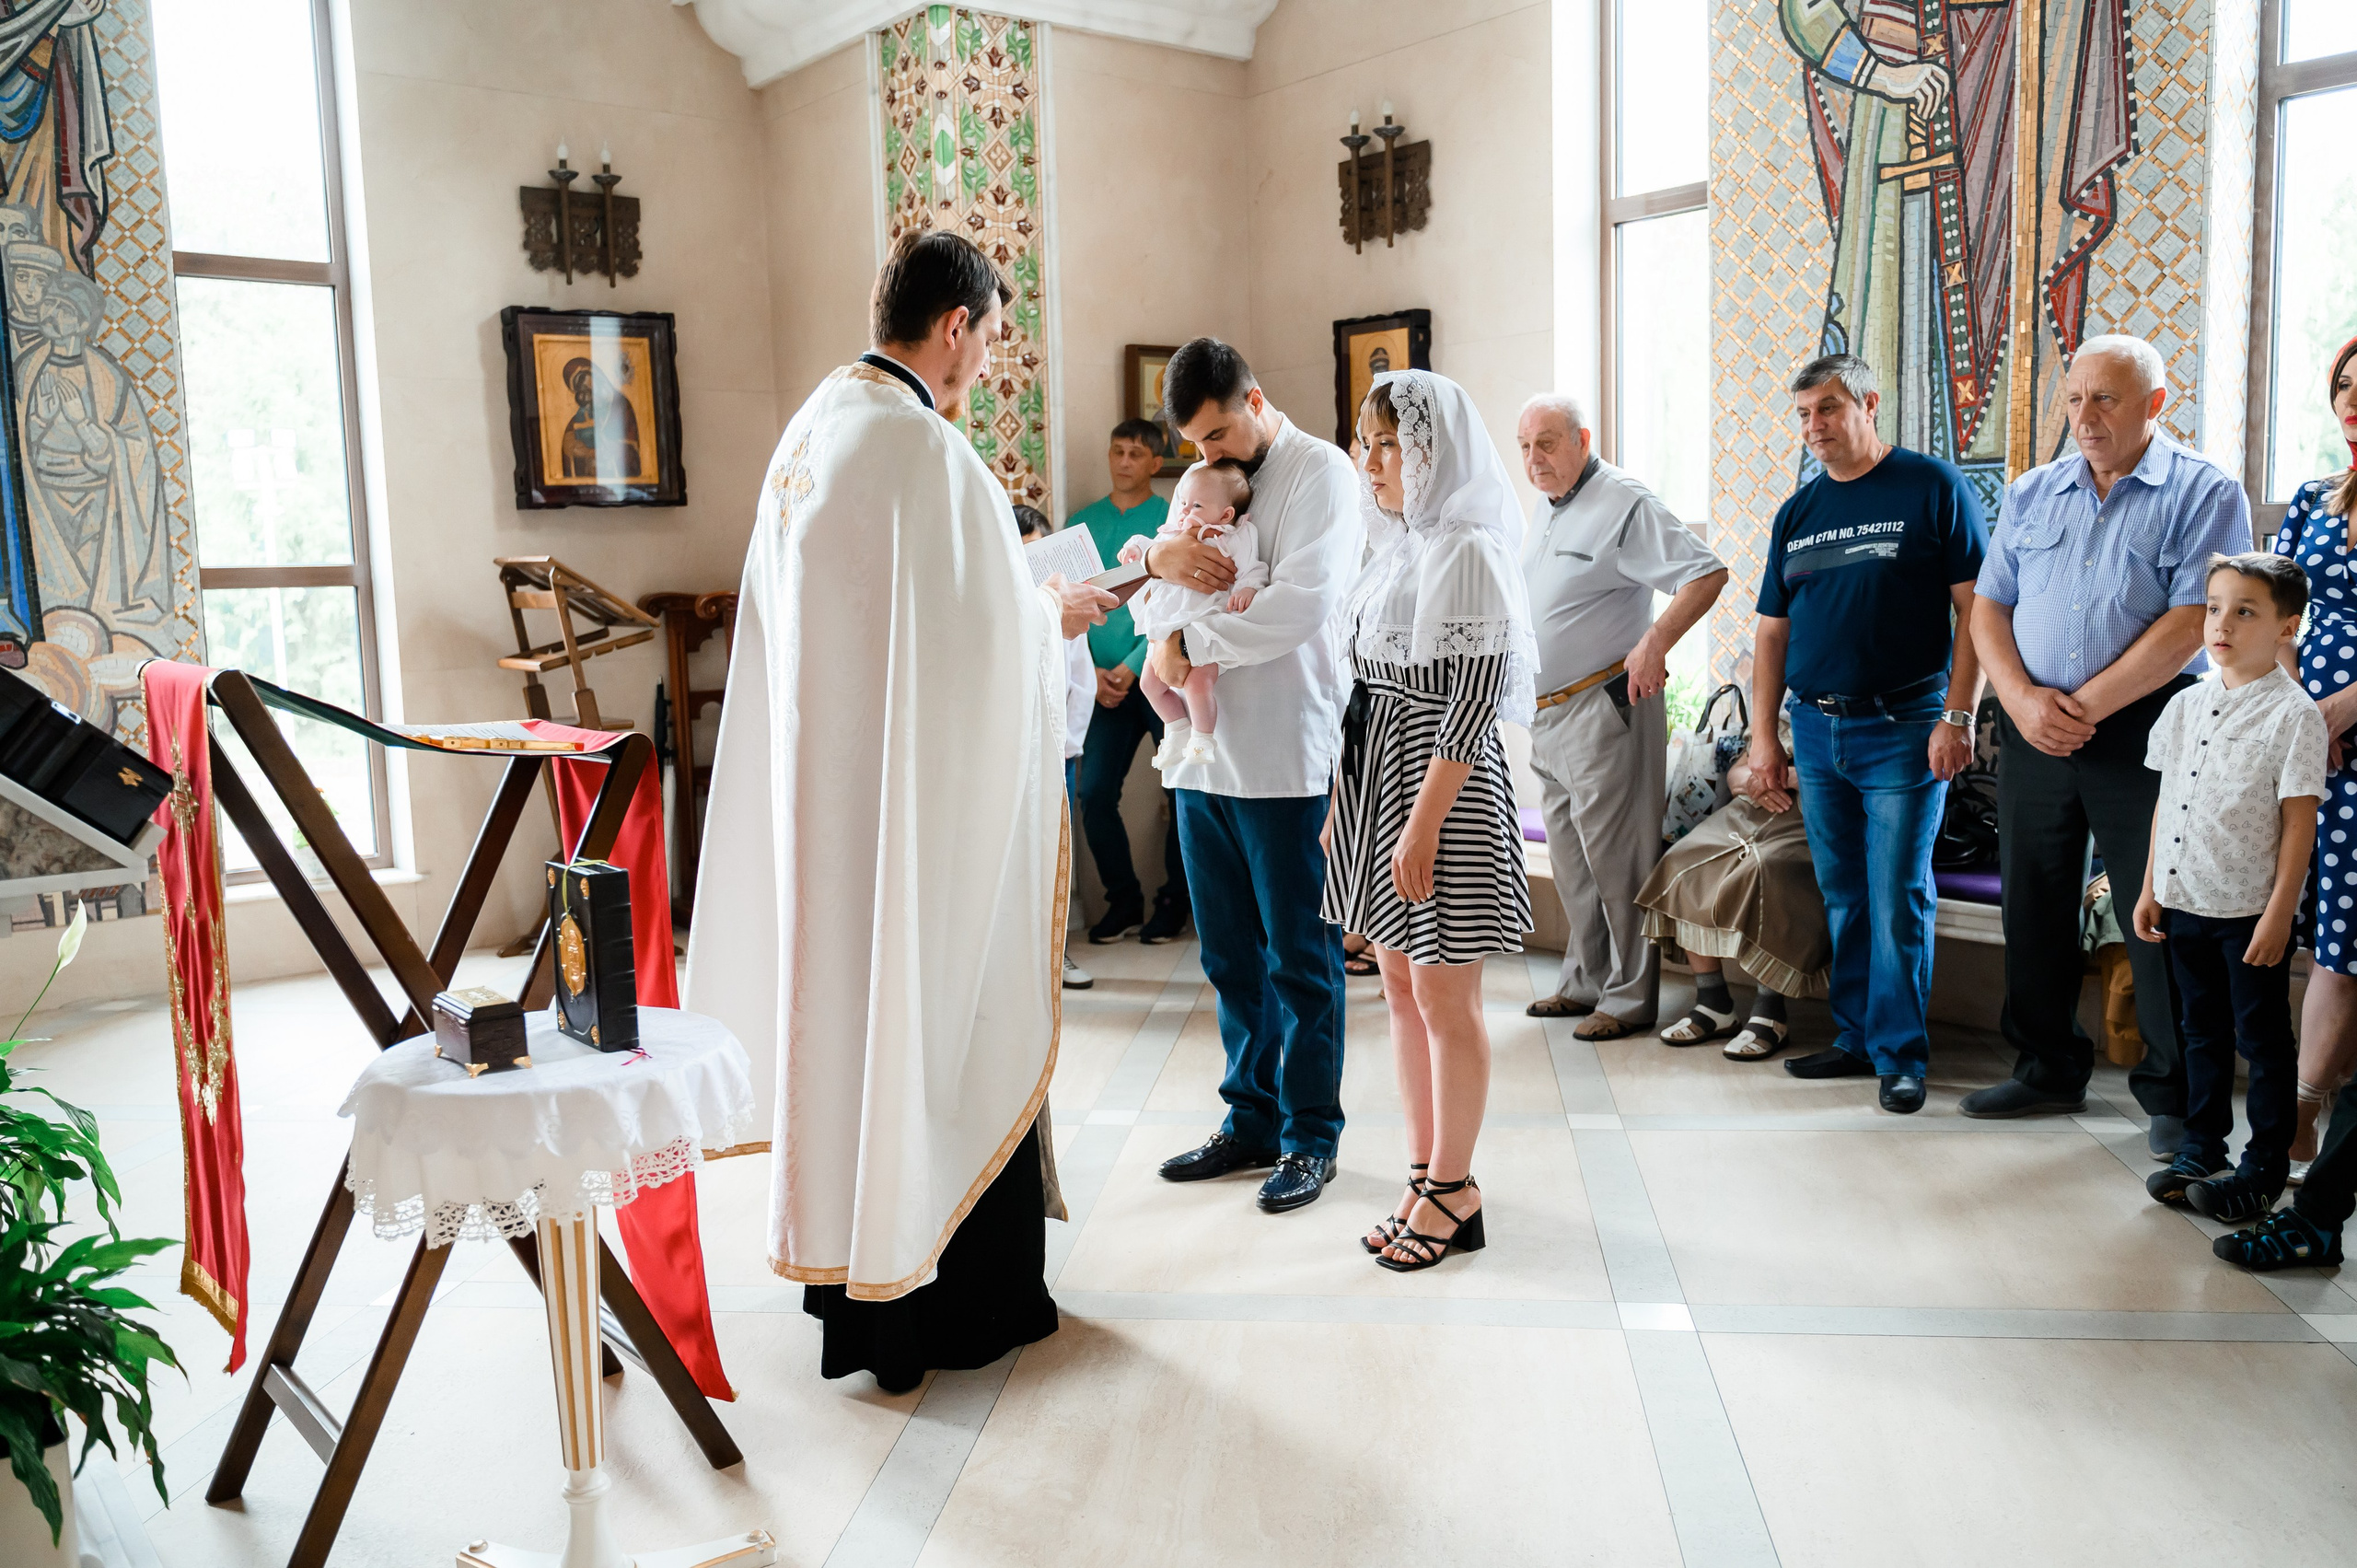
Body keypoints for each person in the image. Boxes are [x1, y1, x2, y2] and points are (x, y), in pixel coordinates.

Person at [685, 229, 1116, 1392]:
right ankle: (951, 1308)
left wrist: (1021, 613)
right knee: (929, 1026)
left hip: (834, 820)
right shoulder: (917, 446)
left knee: (854, 1033)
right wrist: (1056, 619)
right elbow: (980, 642)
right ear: (957, 324)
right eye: (989, 337)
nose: (984, 363)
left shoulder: (816, 428)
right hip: (908, 833)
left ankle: (854, 1287)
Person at [1963, 334, 2256, 1146]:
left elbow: (2194, 617)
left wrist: (2082, 705)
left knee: (2157, 909)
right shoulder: (2033, 490)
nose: (2085, 417)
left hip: (2145, 727)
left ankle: (2176, 1098)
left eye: (2107, 399)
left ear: (2156, 404)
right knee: (2035, 900)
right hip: (2032, 727)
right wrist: (2021, 702)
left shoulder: (2203, 490)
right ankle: (2045, 1067)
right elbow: (1990, 606)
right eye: (2075, 398)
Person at [1140, 337, 1363, 1214]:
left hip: (1285, 758)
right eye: (1195, 443)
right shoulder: (1198, 485)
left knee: (1298, 961)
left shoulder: (1322, 476)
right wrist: (1161, 563)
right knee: (1229, 955)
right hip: (1201, 761)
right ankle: (1251, 1117)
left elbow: (1301, 606)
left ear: (1257, 399)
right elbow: (1150, 588)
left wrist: (1187, 641)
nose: (1210, 455)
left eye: (1221, 433)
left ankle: (1312, 1135)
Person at [1324, 370, 1536, 1269]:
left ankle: (1455, 1188)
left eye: (1386, 444)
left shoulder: (1468, 551)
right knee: (1398, 986)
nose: (1369, 461)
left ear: (1429, 450)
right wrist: (1344, 804)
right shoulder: (1396, 550)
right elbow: (1357, 692)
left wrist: (1417, 825)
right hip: (1380, 778)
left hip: (1440, 789)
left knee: (1446, 994)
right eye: (1364, 443)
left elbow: (1473, 699)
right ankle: (1423, 1172)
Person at [1746, 353, 1987, 1115]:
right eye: (1804, 414)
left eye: (1828, 408)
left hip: (1906, 729)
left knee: (1895, 897)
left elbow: (1976, 612)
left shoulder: (1932, 487)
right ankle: (1854, 1038)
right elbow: (1771, 637)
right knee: (1844, 893)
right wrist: (1765, 740)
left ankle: (1899, 1054)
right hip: (1817, 733)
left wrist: (1959, 714)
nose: (1814, 427)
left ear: (1868, 402)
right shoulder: (1800, 510)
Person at [1515, 392, 1727, 1038]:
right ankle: (1583, 982)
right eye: (1524, 446)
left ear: (1582, 439)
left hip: (1605, 706)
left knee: (1616, 860)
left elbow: (1705, 572)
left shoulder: (1623, 501)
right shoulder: (1549, 511)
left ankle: (1630, 997)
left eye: (1546, 443)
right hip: (1547, 717)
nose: (1534, 458)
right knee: (1574, 863)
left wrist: (1654, 643)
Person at [2130, 553, 2325, 1220]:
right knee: (2200, 1032)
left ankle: (2264, 1164)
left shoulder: (2295, 715)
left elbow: (2300, 824)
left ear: (2286, 626)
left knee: (2262, 1041)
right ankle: (2201, 1146)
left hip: (2248, 912)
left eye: (2246, 610)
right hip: (2185, 900)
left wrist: (2279, 915)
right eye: (2216, 607)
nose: (2224, 623)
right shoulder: (2185, 704)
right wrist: (2151, 884)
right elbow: (2167, 797)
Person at [2269, 332, 2357, 1182]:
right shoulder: (2312, 497)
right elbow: (2278, 609)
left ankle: (2303, 1114)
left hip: (2348, 743)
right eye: (2344, 386)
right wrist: (2302, 710)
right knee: (2296, 912)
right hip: (2304, 740)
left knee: (2344, 939)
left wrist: (2336, 711)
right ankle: (2285, 1105)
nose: (2354, 401)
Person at [1641, 713, 1829, 1059]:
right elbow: (1737, 773)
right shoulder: (1783, 713)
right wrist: (1757, 781)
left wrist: (1784, 777)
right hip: (1748, 811)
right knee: (1682, 860)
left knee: (1767, 871)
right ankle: (1713, 1004)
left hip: (1810, 819)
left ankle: (1770, 1013)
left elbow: (1837, 779)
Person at [1068, 420, 1190, 946]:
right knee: (1093, 794)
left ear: (1155, 464)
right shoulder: (1082, 523)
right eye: (1116, 450)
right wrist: (1092, 671)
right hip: (1101, 687)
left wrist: (1137, 664)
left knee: (1183, 791)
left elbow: (1178, 603)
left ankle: (1173, 904)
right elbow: (1070, 598)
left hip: (1158, 677)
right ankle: (1123, 901)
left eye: (1135, 453)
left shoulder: (1171, 520)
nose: (1123, 461)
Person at [1121, 460, 1268, 767]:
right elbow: (1152, 552)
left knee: (1198, 685)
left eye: (1196, 505)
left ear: (1225, 514)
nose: (1185, 511)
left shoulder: (1233, 538)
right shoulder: (1174, 534)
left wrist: (1248, 588)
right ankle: (1177, 729)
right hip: (1165, 628)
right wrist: (1137, 551)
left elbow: (1253, 569)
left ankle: (1203, 739)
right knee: (1149, 684)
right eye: (1184, 503)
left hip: (1204, 630)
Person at [1016, 504, 1099, 993]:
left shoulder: (1060, 617)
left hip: (1056, 756)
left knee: (1054, 856)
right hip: (1013, 758)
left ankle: (1057, 955)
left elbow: (1080, 684)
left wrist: (1066, 748)